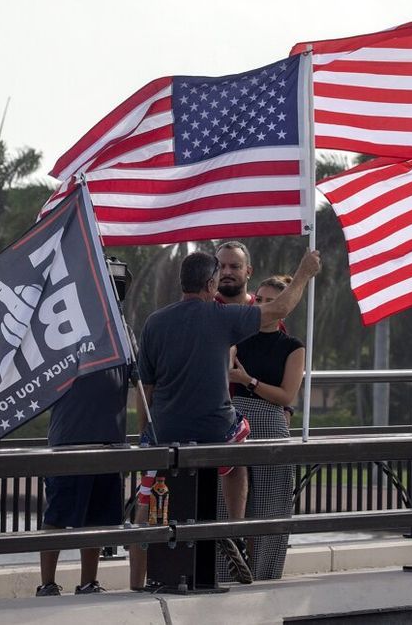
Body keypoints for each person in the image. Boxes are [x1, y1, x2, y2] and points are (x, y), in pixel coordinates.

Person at [134, 248, 320, 587]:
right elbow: (279, 309)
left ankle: (137, 579)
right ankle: (233, 527)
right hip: (214, 429)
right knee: (237, 453)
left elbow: (144, 389)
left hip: (165, 430)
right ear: (209, 284)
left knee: (146, 500)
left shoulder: (154, 322)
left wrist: (145, 434)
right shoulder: (222, 317)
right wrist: (305, 272)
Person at [224, 275, 304, 581]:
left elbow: (286, 396)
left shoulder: (292, 347)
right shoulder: (238, 338)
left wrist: (249, 382)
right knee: (229, 503)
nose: (261, 305)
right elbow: (225, 377)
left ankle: (265, 573)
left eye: (270, 301)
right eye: (258, 299)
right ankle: (229, 571)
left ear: (284, 307)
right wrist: (238, 379)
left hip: (271, 421)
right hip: (236, 419)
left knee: (271, 504)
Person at [36, 365, 130, 596]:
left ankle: (89, 582)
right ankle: (47, 583)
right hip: (69, 439)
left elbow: (141, 375)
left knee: (96, 518)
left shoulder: (122, 334)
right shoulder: (67, 332)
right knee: (57, 515)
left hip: (109, 441)